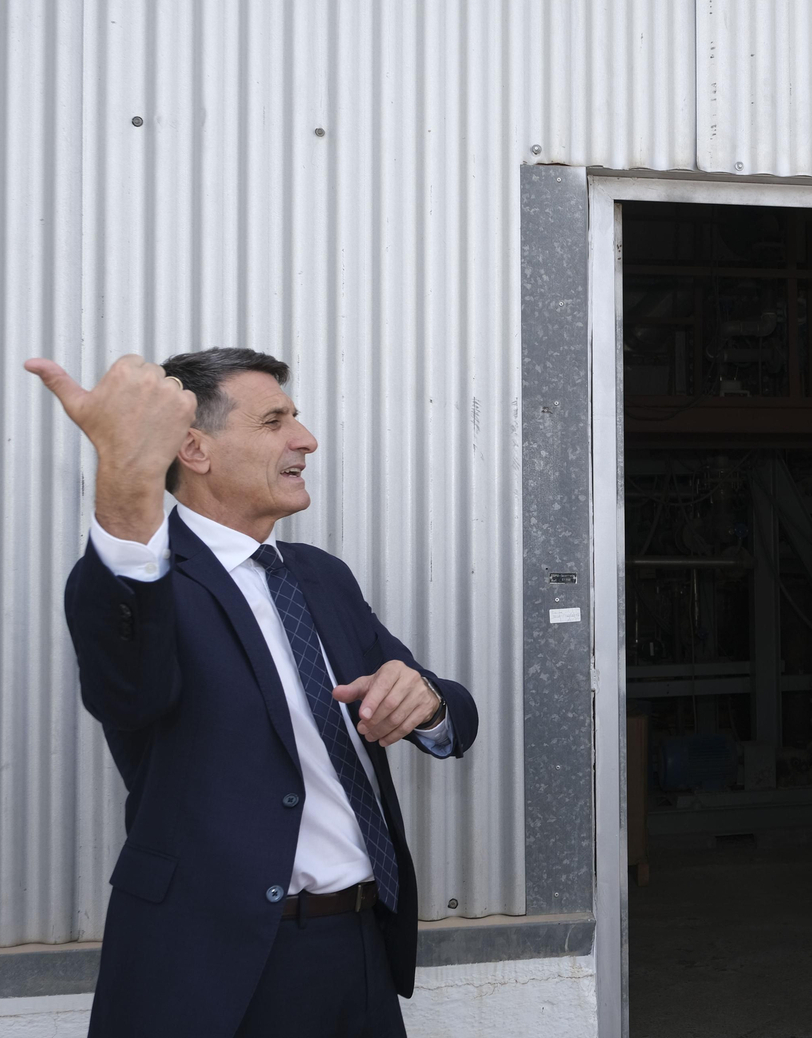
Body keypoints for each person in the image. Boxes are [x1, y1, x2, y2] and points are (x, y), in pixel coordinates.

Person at [25, 348, 479, 1038]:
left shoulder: (320, 576)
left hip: (357, 948)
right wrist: (126, 477)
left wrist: (428, 701)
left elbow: (449, 709)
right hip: (217, 964)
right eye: (275, 422)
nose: (306, 439)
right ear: (194, 450)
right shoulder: (142, 582)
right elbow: (127, 690)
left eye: (296, 418)